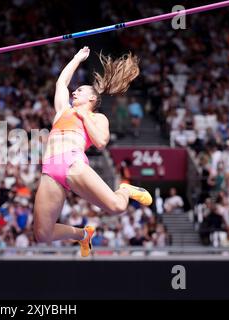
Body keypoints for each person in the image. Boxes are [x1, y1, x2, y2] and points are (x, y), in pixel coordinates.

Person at [33, 46, 152, 257]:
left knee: (116, 207)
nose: (74, 91)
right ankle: (82, 235)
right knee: (42, 234)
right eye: (75, 90)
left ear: (92, 99)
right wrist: (76, 59)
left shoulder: (98, 118)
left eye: (80, 90)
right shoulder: (63, 110)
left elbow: (101, 142)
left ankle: (124, 190)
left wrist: (84, 115)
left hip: (73, 164)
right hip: (50, 170)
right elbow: (61, 83)